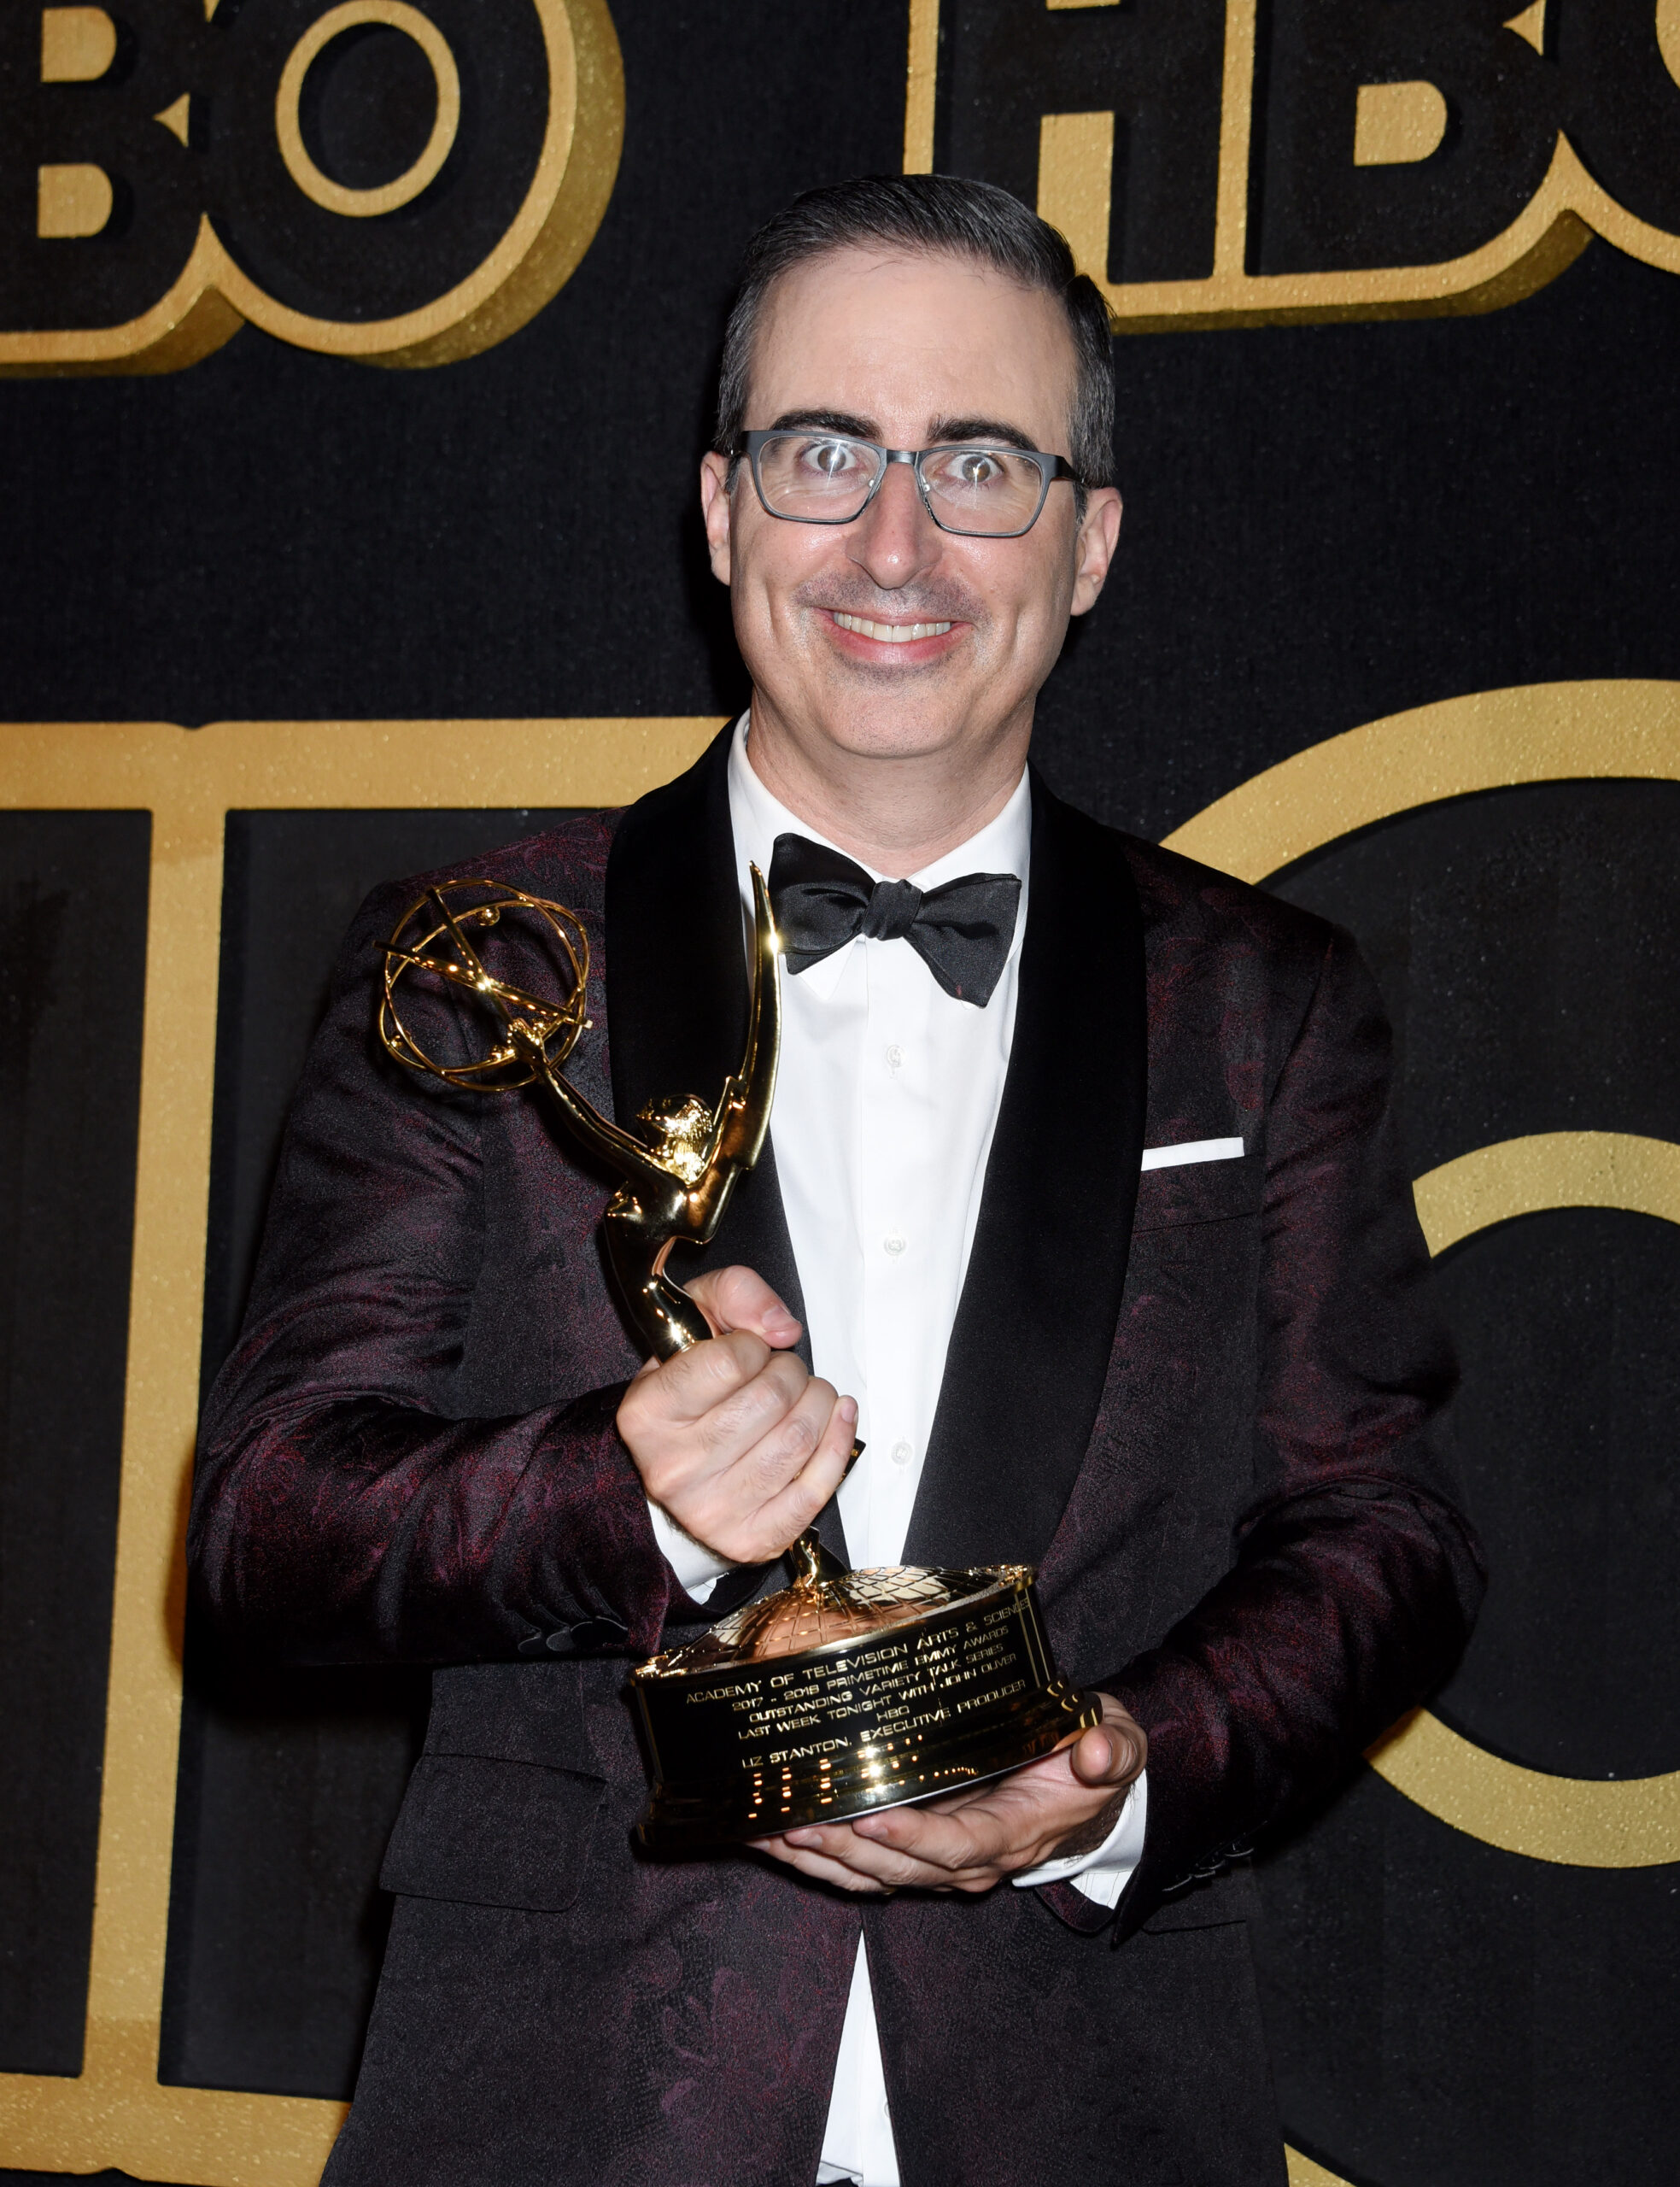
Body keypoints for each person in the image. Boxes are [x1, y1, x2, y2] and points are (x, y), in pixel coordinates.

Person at [190, 175, 1484, 2186]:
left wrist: (1123, 1767)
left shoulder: (1268, 1001)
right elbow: (266, 1526)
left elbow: (1384, 1533)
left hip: (1094, 2109)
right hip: (562, 2114)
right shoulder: (488, 960)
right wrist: (621, 1492)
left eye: (978, 462)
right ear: (722, 512)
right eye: (825, 452)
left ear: (1090, 538)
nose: (896, 542)